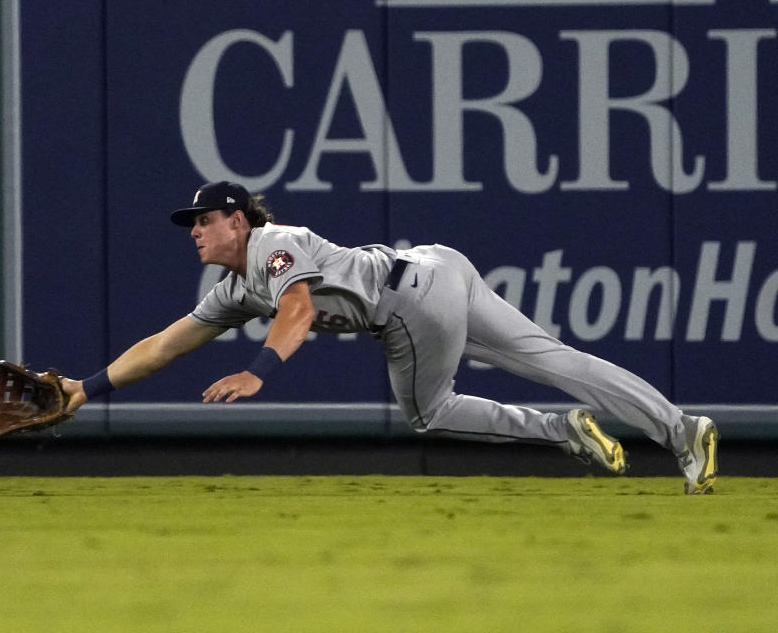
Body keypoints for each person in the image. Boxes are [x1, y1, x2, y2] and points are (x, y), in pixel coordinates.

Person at [61, 180, 719, 494]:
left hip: (407, 304)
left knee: (427, 411)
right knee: (555, 359)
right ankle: (679, 427)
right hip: (437, 268)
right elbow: (165, 344)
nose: (195, 230)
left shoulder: (272, 243)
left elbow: (295, 309)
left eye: (204, 219)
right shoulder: (234, 289)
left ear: (238, 219)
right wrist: (82, 391)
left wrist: (261, 369)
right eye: (191, 224)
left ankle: (563, 432)